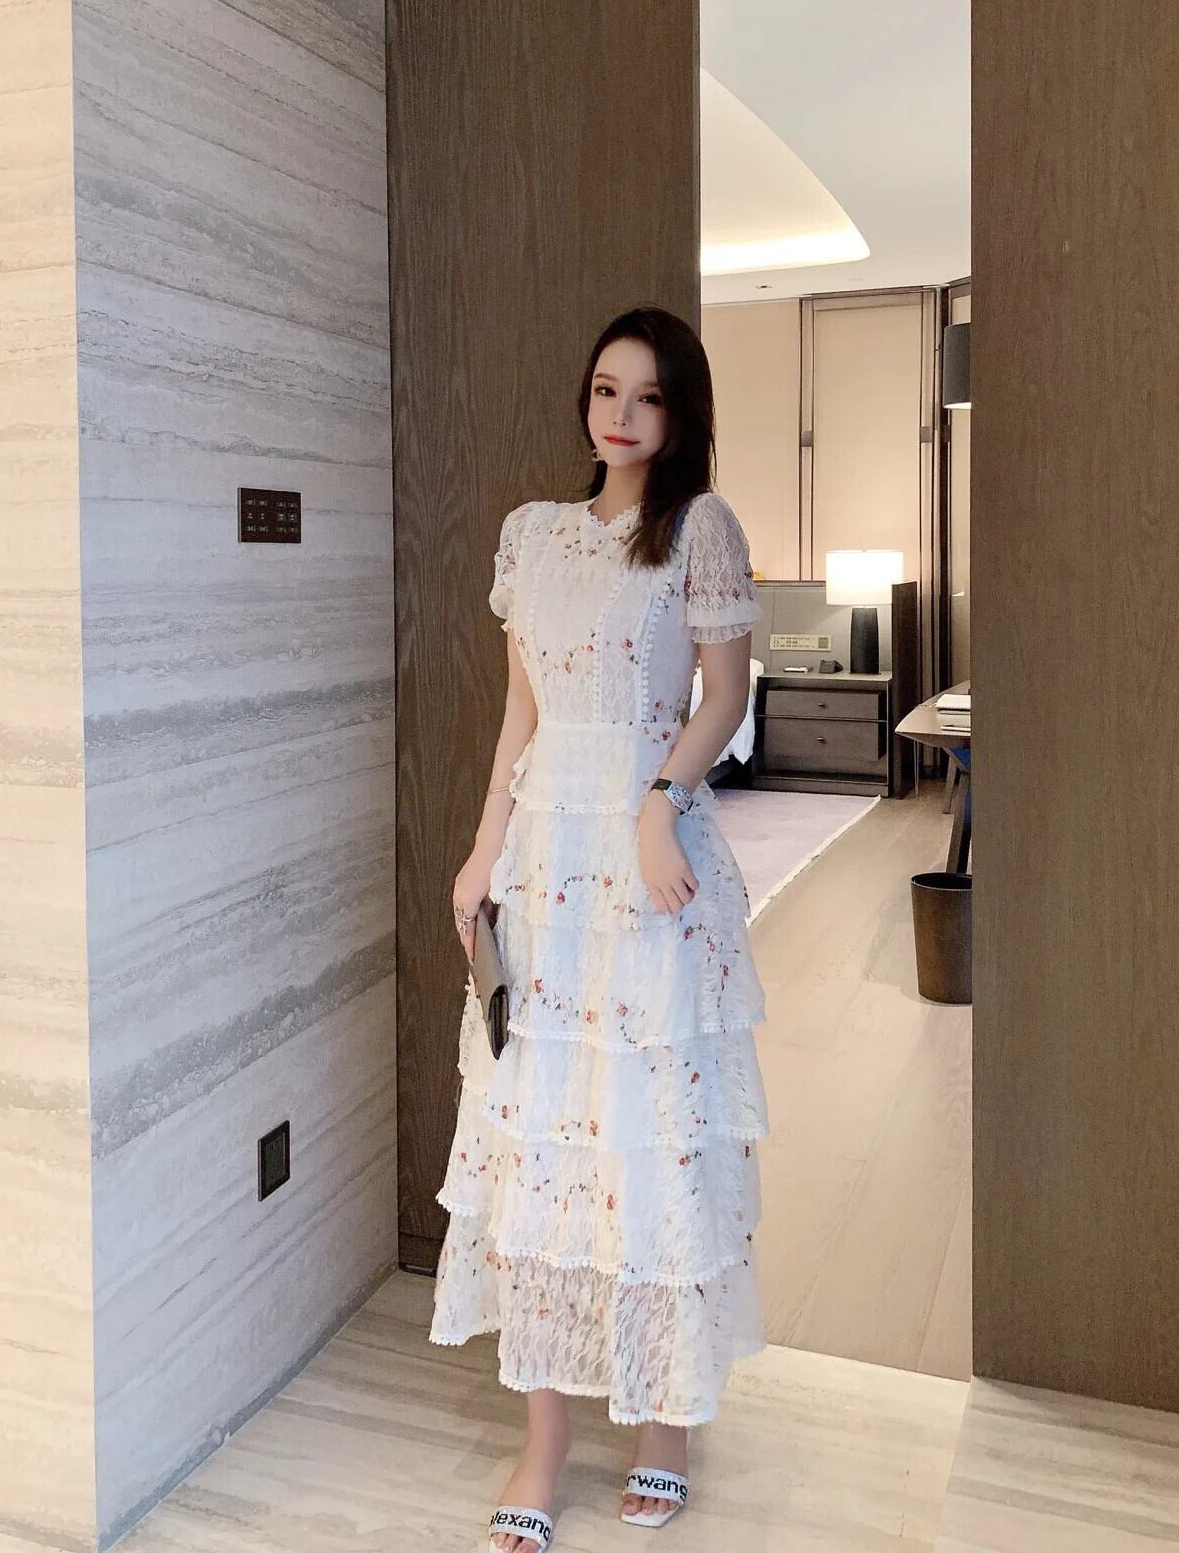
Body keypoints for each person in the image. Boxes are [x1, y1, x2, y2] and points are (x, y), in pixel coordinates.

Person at [432, 306, 770, 1552]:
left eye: (648, 396)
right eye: (604, 390)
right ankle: (545, 1440)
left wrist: (660, 807)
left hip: (647, 863)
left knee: (651, 1133)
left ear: (681, 415)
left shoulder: (700, 530)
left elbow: (725, 697)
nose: (620, 416)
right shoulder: (533, 536)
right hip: (544, 862)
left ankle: (663, 1428)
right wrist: (482, 851)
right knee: (541, 1143)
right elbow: (519, 716)